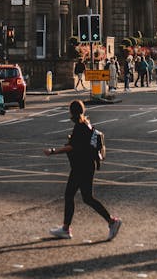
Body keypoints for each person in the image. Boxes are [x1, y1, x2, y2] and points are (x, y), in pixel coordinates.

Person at [44, 99, 121, 241]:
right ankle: (67, 228)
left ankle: (111, 221)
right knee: (84, 197)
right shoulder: (86, 123)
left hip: (81, 166)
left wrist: (53, 151)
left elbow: (72, 147)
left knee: (75, 196)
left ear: (72, 112)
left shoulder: (80, 126)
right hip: (86, 165)